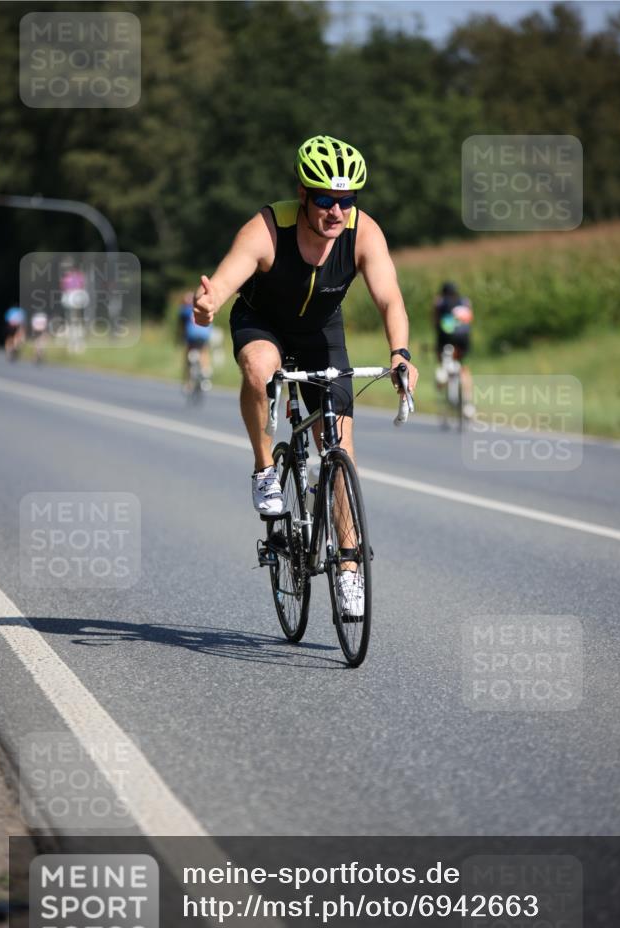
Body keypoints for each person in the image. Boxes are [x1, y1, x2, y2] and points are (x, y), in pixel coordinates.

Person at [194, 134, 418, 617]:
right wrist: (210, 303)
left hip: (320, 332)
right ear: (302, 194)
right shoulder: (267, 228)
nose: (336, 212)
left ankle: (350, 569)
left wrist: (400, 353)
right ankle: (264, 469)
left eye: (346, 200)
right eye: (324, 199)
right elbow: (229, 277)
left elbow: (389, 298)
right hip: (263, 323)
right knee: (259, 368)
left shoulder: (363, 233)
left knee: (339, 450)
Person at [433, 281, 474, 417]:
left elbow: (435, 322)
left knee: (442, 363)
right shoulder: (465, 301)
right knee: (463, 368)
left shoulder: (439, 302)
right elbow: (470, 319)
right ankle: (468, 405)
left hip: (445, 339)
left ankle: (442, 377)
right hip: (463, 339)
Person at [178, 291, 217, 392]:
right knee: (204, 351)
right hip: (204, 335)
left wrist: (180, 337)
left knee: (187, 356)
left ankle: (188, 383)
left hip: (191, 336)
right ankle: (205, 372)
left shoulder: (184, 310)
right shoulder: (204, 307)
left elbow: (181, 326)